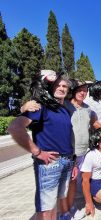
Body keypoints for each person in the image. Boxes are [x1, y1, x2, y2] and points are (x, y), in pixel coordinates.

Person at [8, 70, 75, 220]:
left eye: (65, 86)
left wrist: (73, 161)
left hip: (66, 161)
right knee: (46, 209)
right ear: (49, 87)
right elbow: (15, 128)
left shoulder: (64, 110)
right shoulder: (40, 107)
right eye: (58, 85)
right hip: (49, 164)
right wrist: (37, 152)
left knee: (55, 204)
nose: (62, 88)